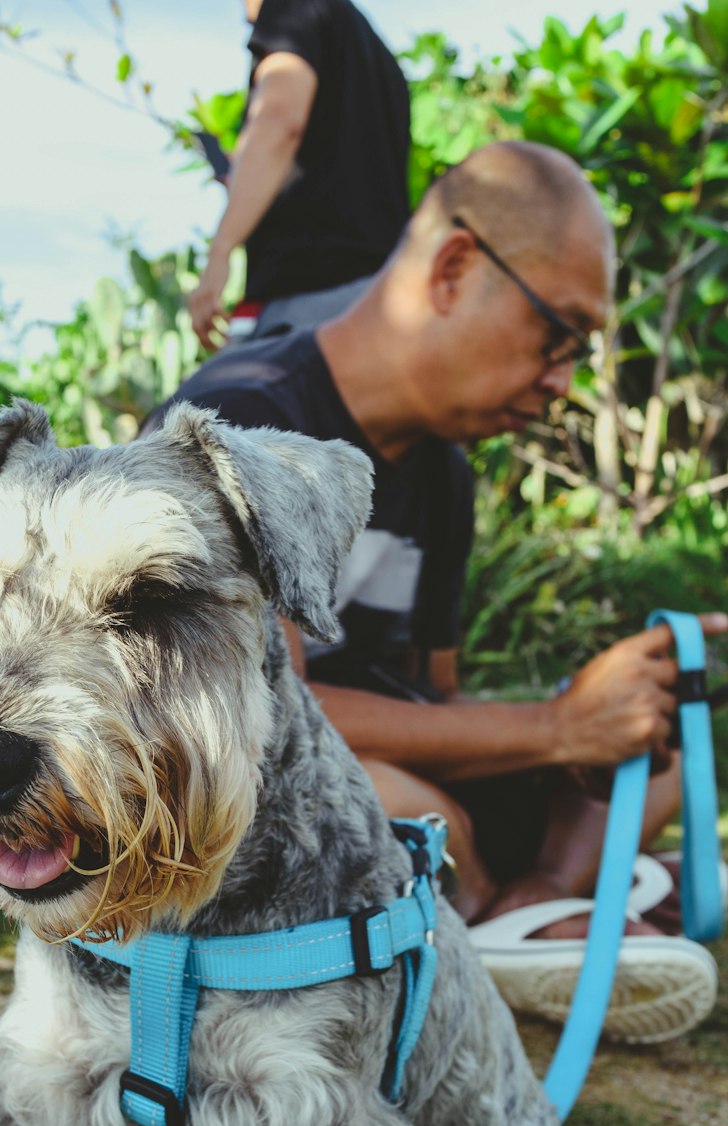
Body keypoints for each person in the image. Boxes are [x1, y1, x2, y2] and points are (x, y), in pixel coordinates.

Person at [145, 140, 727, 1034]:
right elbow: (253, 718)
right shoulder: (246, 422)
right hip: (248, 790)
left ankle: (520, 905)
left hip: (385, 787)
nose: (564, 379)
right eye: (557, 334)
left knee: (653, 762)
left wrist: (574, 735)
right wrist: (548, 727)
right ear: (455, 268)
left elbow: (433, 701)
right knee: (406, 801)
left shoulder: (441, 472)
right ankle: (513, 913)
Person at [189, 0, 412, 349]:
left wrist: (220, 252)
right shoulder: (378, 56)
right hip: (377, 298)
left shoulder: (290, 6)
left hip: (308, 299)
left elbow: (278, 121)